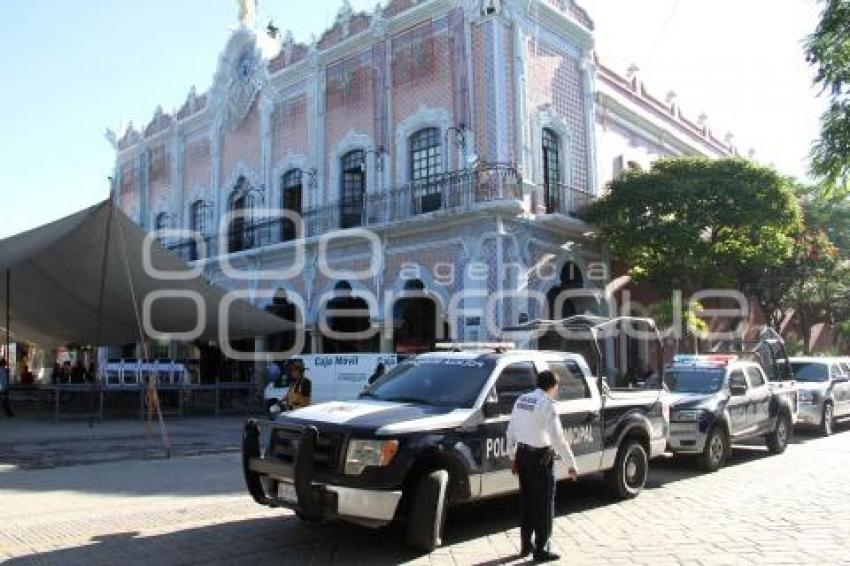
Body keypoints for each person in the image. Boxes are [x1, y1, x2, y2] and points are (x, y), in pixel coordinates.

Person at [506, 370, 578, 563]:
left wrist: (513, 456)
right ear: (553, 387)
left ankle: (525, 546)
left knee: (527, 502)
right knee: (544, 505)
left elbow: (511, 429)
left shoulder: (521, 400)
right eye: (557, 387)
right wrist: (571, 463)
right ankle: (541, 550)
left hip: (522, 455)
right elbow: (558, 439)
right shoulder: (547, 404)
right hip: (540, 459)